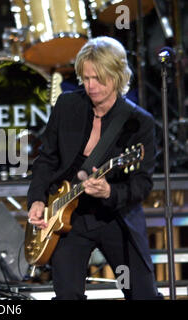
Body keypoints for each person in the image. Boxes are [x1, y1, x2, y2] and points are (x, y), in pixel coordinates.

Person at [27, 36, 162, 300]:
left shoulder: (139, 122)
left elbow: (142, 184)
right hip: (69, 218)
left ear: (117, 76)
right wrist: (36, 199)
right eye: (86, 78)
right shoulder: (67, 105)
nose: (91, 86)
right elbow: (47, 158)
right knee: (67, 294)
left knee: (143, 295)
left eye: (99, 79)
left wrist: (109, 191)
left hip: (115, 217)